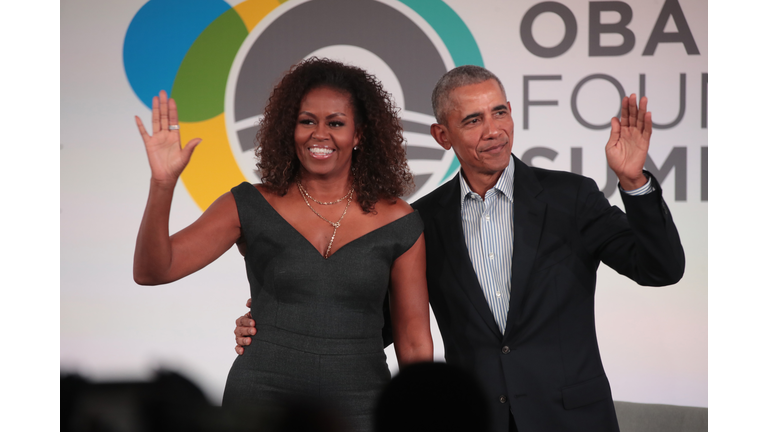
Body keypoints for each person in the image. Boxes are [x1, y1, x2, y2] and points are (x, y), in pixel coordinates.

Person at [235, 65, 685, 432]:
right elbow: (380, 326)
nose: (493, 131)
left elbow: (660, 268)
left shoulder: (572, 197)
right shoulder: (419, 220)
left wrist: (633, 182)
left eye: (500, 112)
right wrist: (277, 323)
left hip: (570, 420)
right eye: (473, 120)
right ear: (442, 135)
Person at [133, 58, 433, 432]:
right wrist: (163, 184)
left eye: (336, 123)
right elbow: (152, 270)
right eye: (307, 121)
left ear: (359, 135)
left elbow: (415, 342)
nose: (319, 134)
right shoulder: (250, 205)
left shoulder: (398, 221)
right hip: (260, 401)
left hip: (362, 404)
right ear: (288, 128)